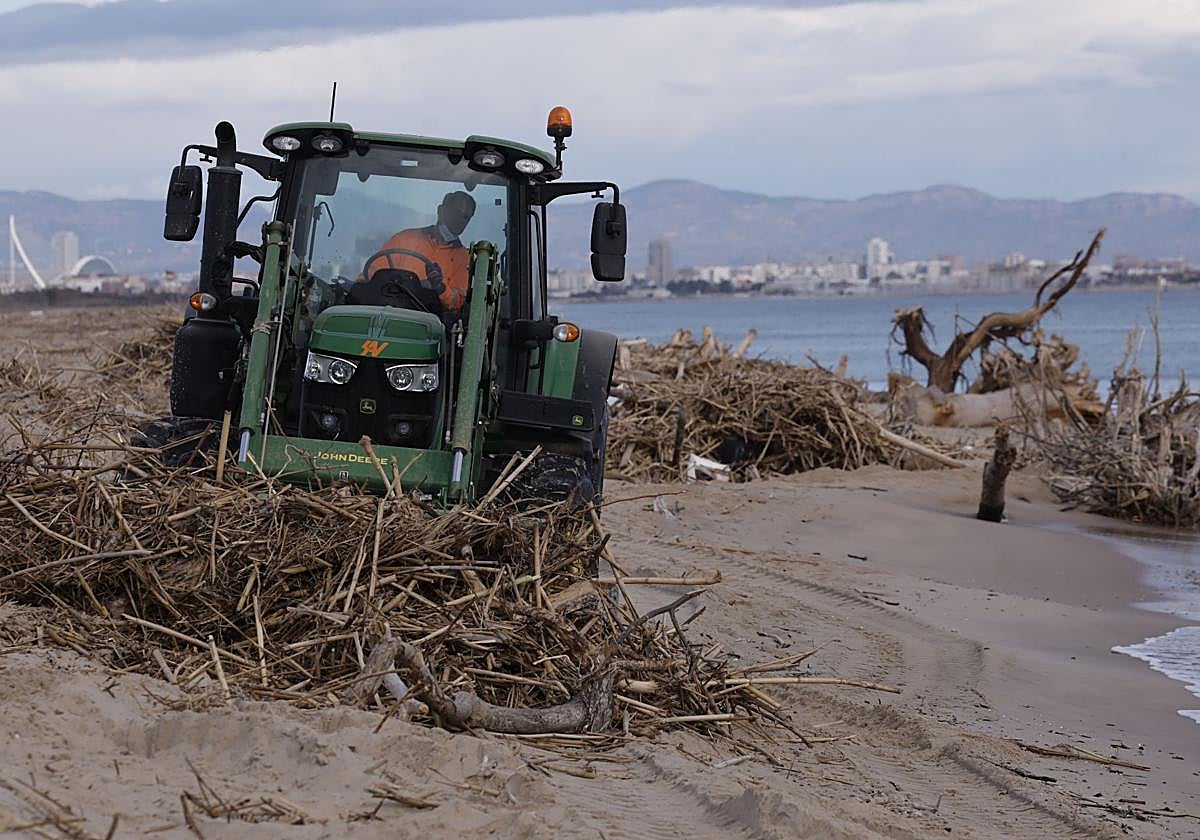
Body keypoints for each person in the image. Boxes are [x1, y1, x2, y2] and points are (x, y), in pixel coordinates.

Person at [364, 190, 476, 312]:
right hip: (388, 310)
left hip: (431, 321)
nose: (459, 220)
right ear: (440, 211)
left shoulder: (464, 259)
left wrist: (440, 287)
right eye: (456, 212)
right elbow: (371, 275)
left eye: (465, 217)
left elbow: (457, 302)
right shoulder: (405, 238)